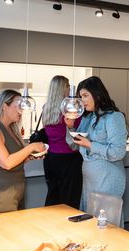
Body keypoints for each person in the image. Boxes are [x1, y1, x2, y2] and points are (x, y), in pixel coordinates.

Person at [0, 90, 46, 214]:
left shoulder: (12, 130)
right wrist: (30, 148)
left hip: (15, 195)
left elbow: (14, 160)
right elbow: (6, 163)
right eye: (19, 105)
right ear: (5, 106)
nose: (22, 109)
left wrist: (29, 157)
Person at [66, 76, 127, 212]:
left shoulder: (114, 117)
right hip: (89, 180)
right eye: (80, 96)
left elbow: (118, 152)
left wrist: (90, 145)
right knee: (90, 220)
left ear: (97, 94)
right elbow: (74, 145)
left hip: (107, 178)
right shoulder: (87, 117)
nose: (82, 100)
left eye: (85, 95)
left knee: (105, 221)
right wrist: (70, 128)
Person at [42, 75, 83, 209]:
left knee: (53, 194)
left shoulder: (46, 108)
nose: (69, 88)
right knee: (70, 198)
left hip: (51, 157)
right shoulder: (69, 109)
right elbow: (78, 129)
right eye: (67, 85)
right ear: (62, 88)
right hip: (69, 157)